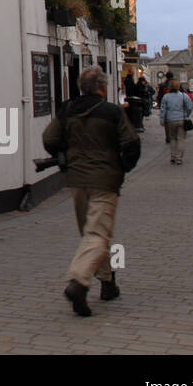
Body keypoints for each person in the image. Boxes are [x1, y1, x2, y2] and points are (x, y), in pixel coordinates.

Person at [43, 66, 140, 316]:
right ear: (102, 87)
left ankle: (107, 283)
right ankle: (79, 281)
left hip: (76, 181)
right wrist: (122, 168)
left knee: (92, 234)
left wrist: (65, 154)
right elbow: (131, 143)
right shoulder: (112, 112)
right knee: (98, 235)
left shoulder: (67, 110)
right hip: (105, 181)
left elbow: (49, 139)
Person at [159, 76, 193, 164]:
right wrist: (187, 114)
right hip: (182, 120)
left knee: (173, 139)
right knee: (181, 139)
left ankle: (173, 156)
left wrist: (162, 120)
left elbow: (163, 110)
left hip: (170, 120)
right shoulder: (184, 96)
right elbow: (190, 106)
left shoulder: (166, 97)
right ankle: (179, 158)